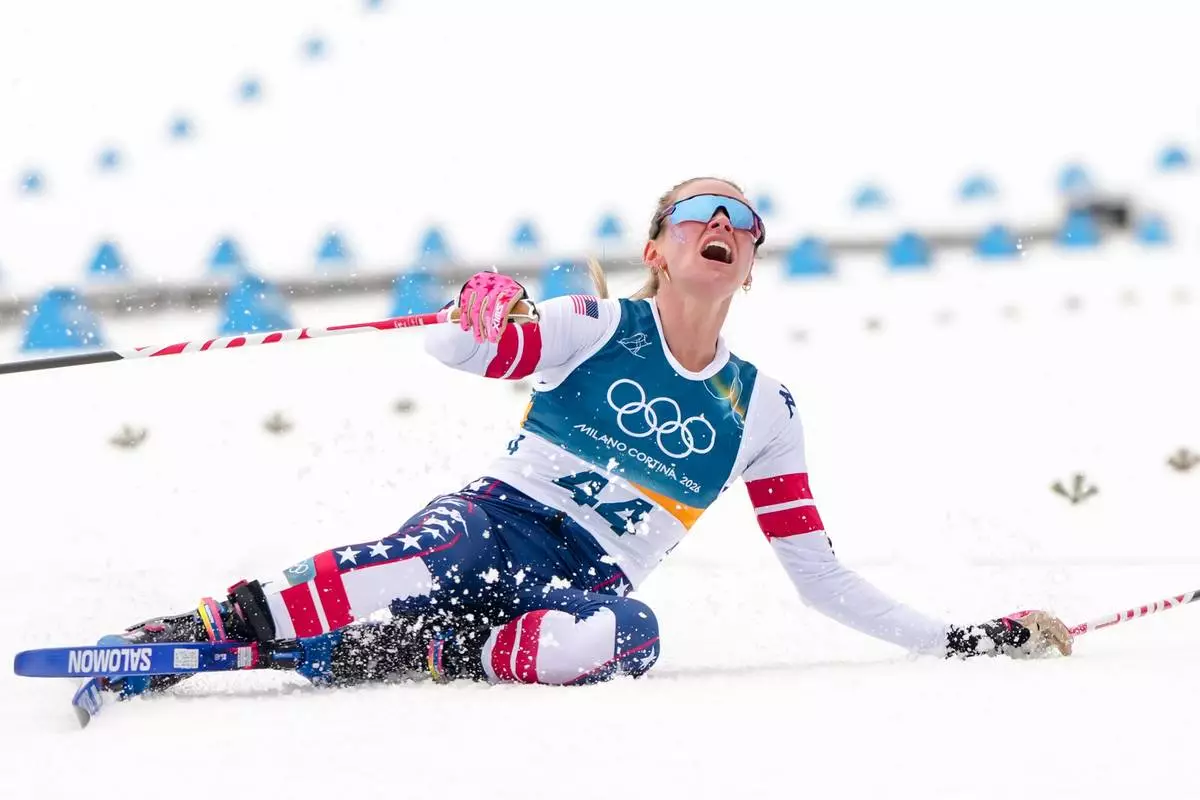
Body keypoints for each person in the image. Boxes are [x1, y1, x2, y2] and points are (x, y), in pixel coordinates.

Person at [98, 176, 1072, 702]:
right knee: (430, 556)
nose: (723, 222)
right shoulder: (598, 326)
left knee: (628, 637)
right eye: (700, 212)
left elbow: (818, 577)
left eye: (742, 219)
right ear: (659, 249)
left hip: (582, 580)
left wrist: (960, 639)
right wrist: (474, 308)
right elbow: (459, 352)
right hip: (496, 523)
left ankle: (441, 651)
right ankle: (207, 627)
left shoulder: (765, 410)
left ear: (749, 265)